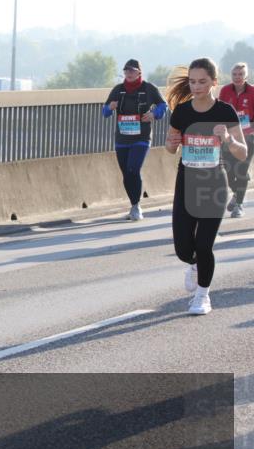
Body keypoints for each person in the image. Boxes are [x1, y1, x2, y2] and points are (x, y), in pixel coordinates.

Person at [164, 58, 247, 315]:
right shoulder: (182, 111)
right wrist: (172, 142)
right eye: (192, 81)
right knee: (183, 248)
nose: (196, 86)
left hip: (214, 184)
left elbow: (242, 153)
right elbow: (170, 148)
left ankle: (202, 296)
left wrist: (230, 139)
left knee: (204, 244)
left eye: (202, 81)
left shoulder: (225, 112)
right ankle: (193, 264)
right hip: (186, 183)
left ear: (214, 82)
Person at [101, 59, 167, 221]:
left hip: (141, 137)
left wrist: (154, 114)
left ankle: (137, 207)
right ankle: (133, 205)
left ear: (139, 72)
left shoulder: (149, 88)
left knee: (133, 169)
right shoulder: (118, 90)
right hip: (122, 138)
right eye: (126, 71)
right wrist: (110, 108)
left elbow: (163, 105)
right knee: (126, 173)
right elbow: (105, 111)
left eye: (132, 71)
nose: (129, 74)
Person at [218, 62, 254, 218]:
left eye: (240, 74)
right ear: (231, 75)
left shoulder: (252, 92)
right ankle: (237, 190)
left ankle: (238, 204)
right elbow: (219, 112)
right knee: (227, 171)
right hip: (230, 138)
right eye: (235, 74)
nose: (237, 77)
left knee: (241, 172)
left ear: (246, 76)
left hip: (249, 138)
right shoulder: (225, 91)